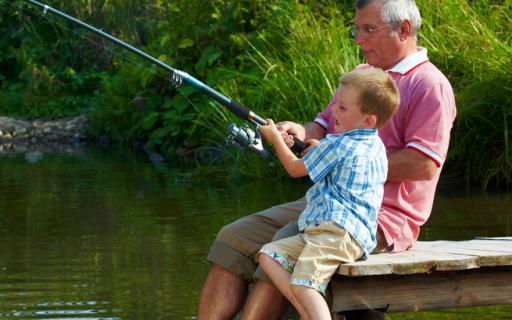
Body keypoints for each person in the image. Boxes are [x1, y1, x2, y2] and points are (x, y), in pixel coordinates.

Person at [196, 1, 457, 319]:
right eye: (356, 29)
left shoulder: (430, 85)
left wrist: (349, 161)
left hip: (379, 218)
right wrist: (297, 129)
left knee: (284, 251)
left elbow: (424, 164)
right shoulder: (363, 75)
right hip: (325, 203)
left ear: (403, 29)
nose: (359, 39)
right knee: (233, 238)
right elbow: (322, 125)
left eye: (368, 29)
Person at [255, 68, 399, 320]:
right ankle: (312, 314)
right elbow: (343, 165)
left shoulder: (337, 144)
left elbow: (294, 168)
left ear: (369, 120)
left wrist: (275, 138)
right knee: (270, 255)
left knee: (304, 284)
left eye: (342, 108)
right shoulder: (376, 145)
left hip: (334, 233)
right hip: (352, 236)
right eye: (336, 105)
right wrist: (320, 151)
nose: (333, 112)